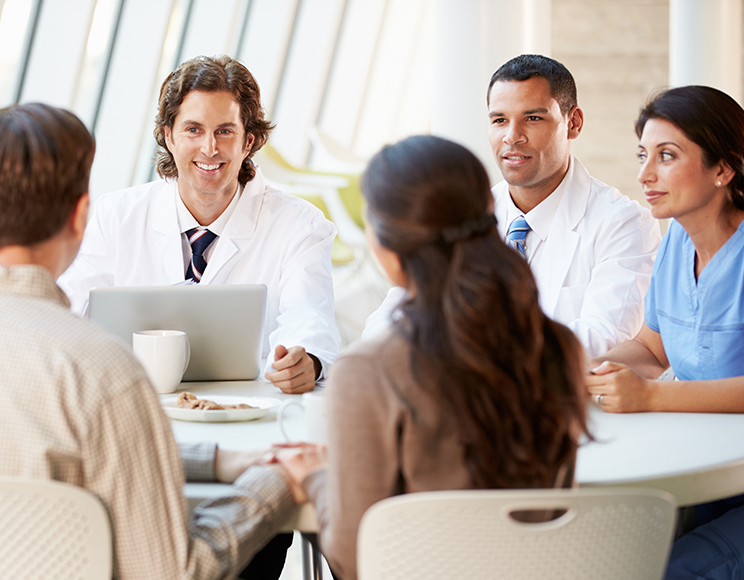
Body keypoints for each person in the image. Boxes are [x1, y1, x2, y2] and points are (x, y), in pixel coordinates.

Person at [0, 103, 299, 580]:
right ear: (80, 214)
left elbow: (32, 454)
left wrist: (211, 461)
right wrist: (275, 483)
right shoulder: (99, 368)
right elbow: (172, 573)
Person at [279, 135, 589, 580]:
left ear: (389, 244)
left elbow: (354, 559)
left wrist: (316, 478)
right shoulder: (556, 347)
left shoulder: (370, 371)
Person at [58, 55, 340, 395]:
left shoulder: (300, 224)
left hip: (248, 405)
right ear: (169, 137)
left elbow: (309, 315)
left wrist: (305, 359)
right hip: (138, 400)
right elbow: (71, 310)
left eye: (225, 132)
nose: (210, 148)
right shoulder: (116, 215)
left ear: (248, 141)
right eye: (194, 130)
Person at [361, 54, 660, 358]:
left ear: (573, 123)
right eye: (499, 120)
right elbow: (389, 319)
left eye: (533, 118)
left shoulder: (624, 224)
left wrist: (467, 354)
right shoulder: (462, 214)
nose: (512, 137)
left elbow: (603, 338)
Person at [583, 86, 744, 580]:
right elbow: (652, 346)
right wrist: (594, 371)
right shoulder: (676, 240)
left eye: (666, 156)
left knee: (668, 570)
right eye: (642, 155)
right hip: (708, 477)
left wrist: (650, 399)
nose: (644, 174)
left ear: (723, 168)